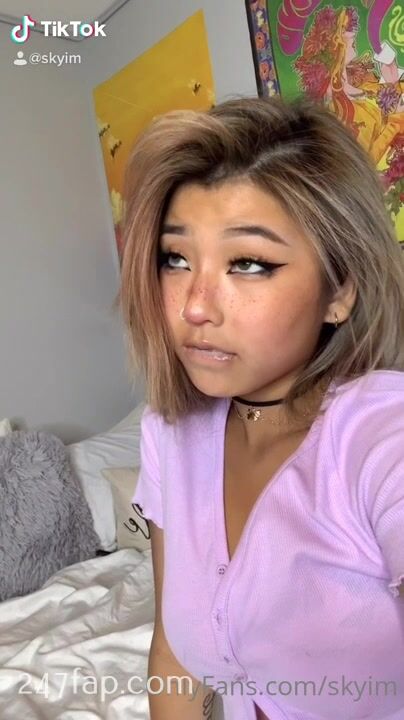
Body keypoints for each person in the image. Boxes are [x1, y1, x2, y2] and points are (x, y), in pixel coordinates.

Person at [118, 95, 404, 720]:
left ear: (340, 291)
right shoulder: (169, 433)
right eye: (175, 258)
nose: (195, 306)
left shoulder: (381, 434)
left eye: (248, 264)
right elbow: (174, 657)